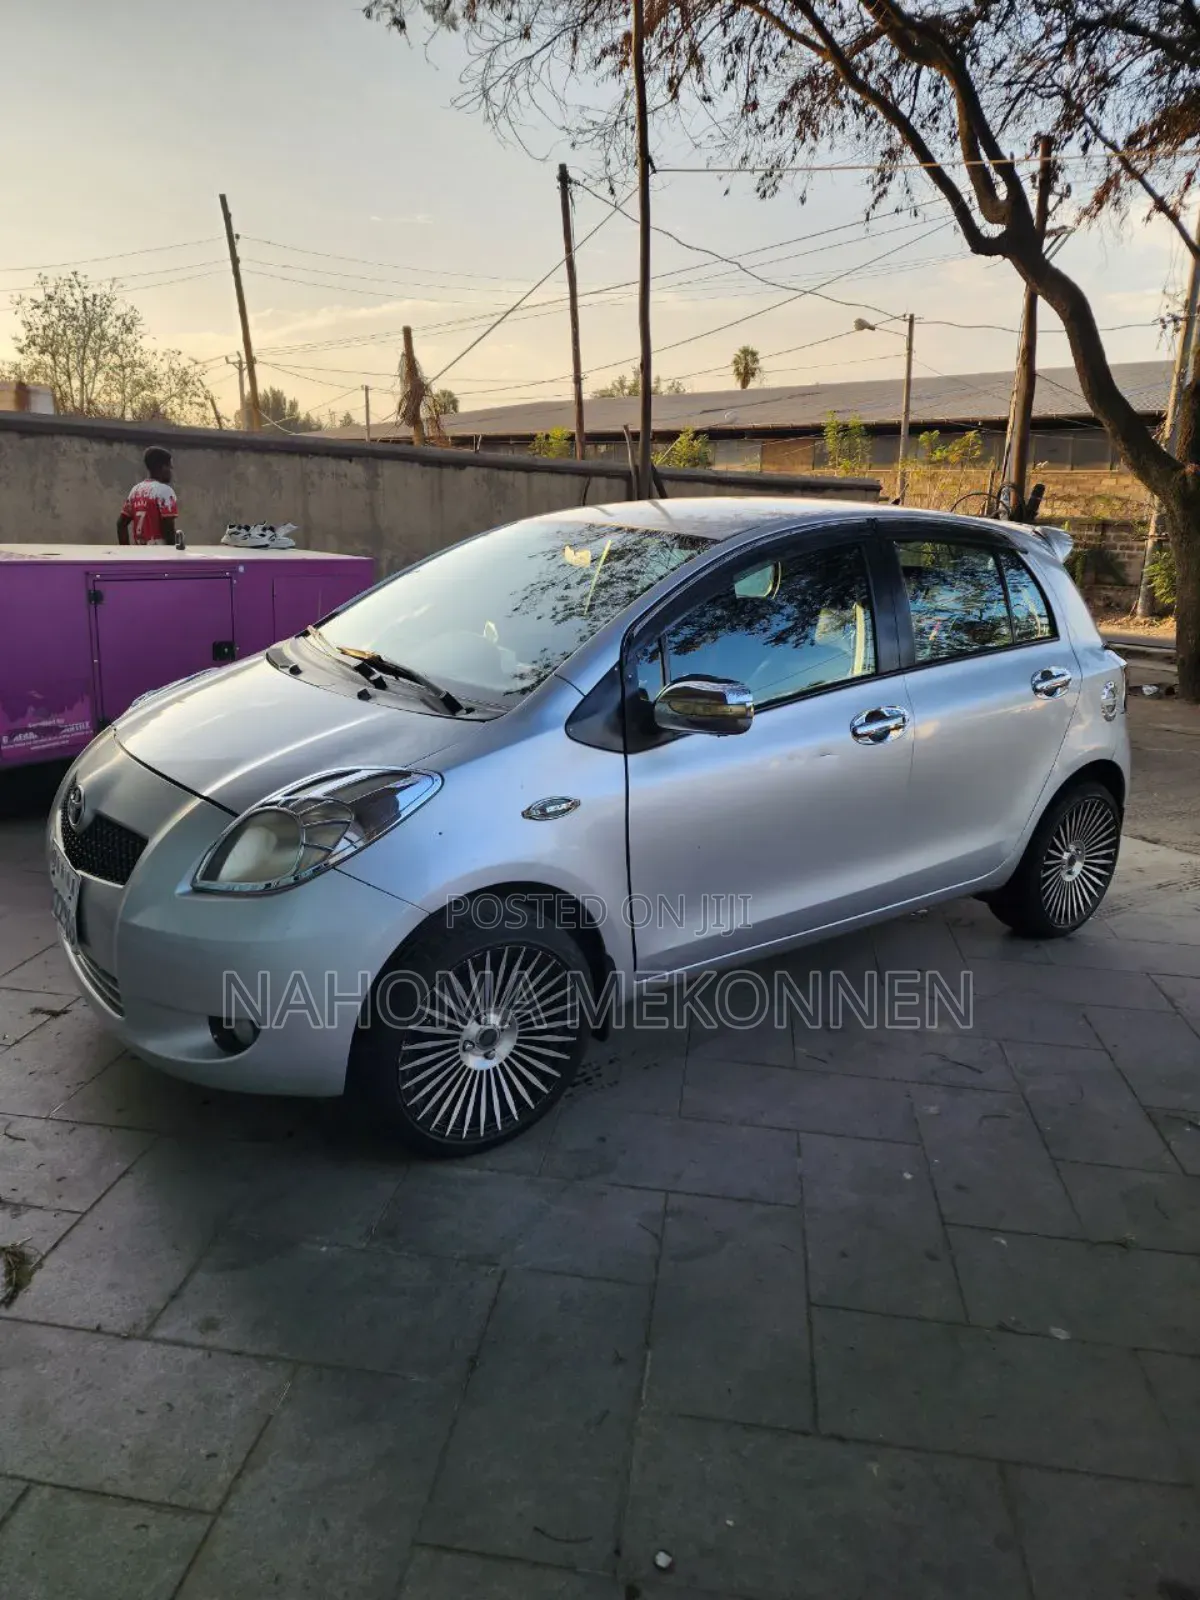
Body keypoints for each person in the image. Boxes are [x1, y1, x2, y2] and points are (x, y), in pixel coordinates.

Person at [117, 447, 178, 546]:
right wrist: (175, 555)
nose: (171, 472)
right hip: (160, 555)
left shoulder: (135, 490)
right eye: (169, 467)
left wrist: (125, 552)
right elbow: (168, 529)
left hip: (140, 555)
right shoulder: (165, 491)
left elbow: (121, 525)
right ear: (162, 467)